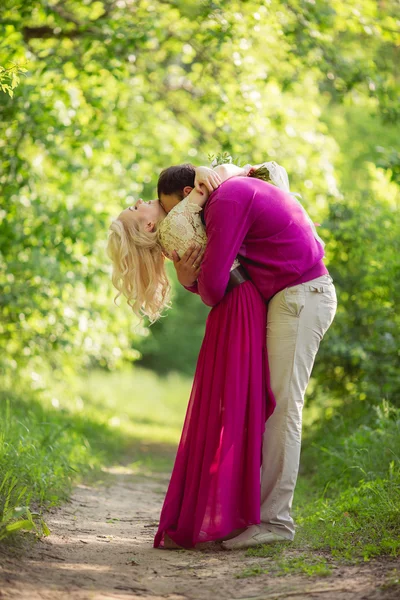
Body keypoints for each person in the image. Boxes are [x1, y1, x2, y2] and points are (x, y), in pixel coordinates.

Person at [159, 163, 337, 550]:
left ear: (191, 193)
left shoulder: (226, 201)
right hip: (291, 298)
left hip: (303, 298)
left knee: (283, 410)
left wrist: (189, 279)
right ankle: (252, 515)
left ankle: (276, 522)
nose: (180, 222)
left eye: (176, 211)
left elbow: (214, 286)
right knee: (267, 407)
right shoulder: (229, 191)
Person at [106, 163, 276, 549]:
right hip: (238, 302)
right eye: (136, 209)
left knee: (232, 403)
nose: (138, 201)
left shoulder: (173, 230)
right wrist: (204, 175)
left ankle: (227, 510)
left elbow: (202, 277)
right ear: (150, 227)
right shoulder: (177, 222)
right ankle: (236, 513)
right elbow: (210, 184)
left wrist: (187, 281)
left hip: (230, 307)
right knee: (239, 403)